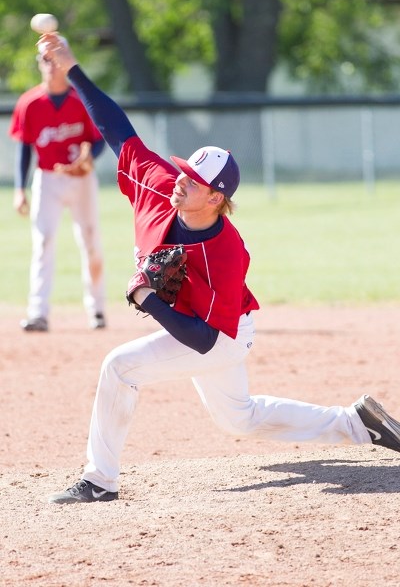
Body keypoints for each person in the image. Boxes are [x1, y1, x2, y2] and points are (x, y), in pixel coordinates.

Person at [37, 34, 400, 505]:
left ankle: (99, 480)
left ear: (216, 199)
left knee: (120, 367)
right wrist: (73, 70)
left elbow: (206, 341)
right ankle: (358, 423)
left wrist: (147, 298)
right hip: (200, 325)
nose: (180, 182)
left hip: (220, 332)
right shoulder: (159, 186)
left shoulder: (226, 252)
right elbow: (117, 129)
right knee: (239, 419)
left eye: (194, 181)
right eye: (183, 172)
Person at [9, 45, 107, 332]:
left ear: (65, 62)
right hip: (47, 179)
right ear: (39, 64)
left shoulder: (81, 99)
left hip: (81, 180)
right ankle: (38, 312)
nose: (51, 64)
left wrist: (90, 158)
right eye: (45, 59)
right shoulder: (29, 102)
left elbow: (98, 138)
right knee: (43, 242)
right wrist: (19, 189)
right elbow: (25, 149)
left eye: (55, 59)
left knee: (90, 241)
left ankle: (97, 309)